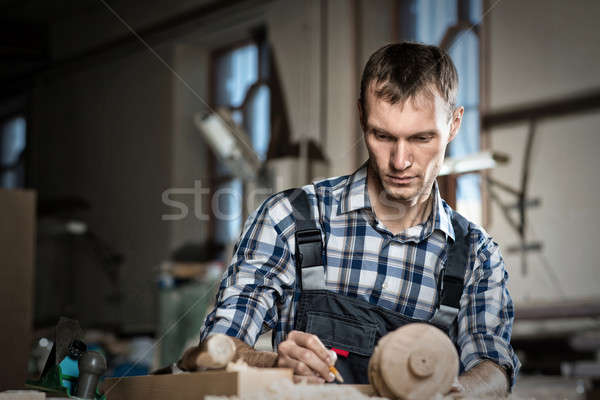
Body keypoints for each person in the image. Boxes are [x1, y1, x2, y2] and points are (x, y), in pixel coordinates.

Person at [182, 42, 520, 397]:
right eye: (383, 135)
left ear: (454, 124)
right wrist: (273, 365)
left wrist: (452, 392)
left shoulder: (476, 256)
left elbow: (493, 367)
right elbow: (215, 351)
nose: (400, 161)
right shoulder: (289, 220)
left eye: (421, 138)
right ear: (362, 117)